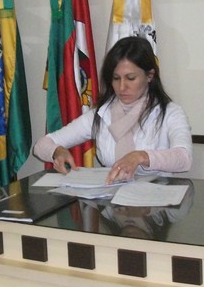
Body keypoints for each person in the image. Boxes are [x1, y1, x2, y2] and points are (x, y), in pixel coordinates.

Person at [33, 36, 193, 183]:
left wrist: (141, 156)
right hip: (110, 197)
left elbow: (184, 158)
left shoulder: (170, 113)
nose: (122, 87)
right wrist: (57, 151)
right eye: (116, 78)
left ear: (149, 76)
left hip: (157, 198)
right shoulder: (101, 114)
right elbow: (42, 145)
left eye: (131, 78)